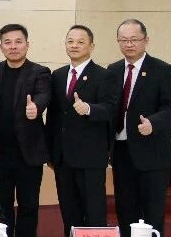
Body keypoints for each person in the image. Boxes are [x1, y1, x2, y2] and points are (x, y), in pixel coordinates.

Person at [0, 24, 51, 237]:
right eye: (7, 42)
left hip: (28, 154)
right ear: (1, 46)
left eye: (18, 42)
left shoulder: (39, 72)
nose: (13, 47)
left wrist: (36, 107)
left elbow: (44, 95)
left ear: (27, 45)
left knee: (29, 206)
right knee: (1, 207)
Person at [109, 19, 171, 237]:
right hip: (121, 152)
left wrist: (153, 123)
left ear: (146, 40)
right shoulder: (113, 70)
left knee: (152, 215)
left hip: (152, 153)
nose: (129, 44)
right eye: (123, 40)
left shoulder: (162, 70)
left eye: (134, 39)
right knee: (125, 211)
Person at [47, 25, 118, 237]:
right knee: (69, 214)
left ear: (91, 46)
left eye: (80, 42)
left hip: (90, 158)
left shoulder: (104, 75)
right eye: (70, 41)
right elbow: (53, 117)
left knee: (94, 213)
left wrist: (89, 109)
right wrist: (51, 152)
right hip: (62, 158)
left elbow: (111, 109)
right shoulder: (58, 75)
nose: (74, 45)